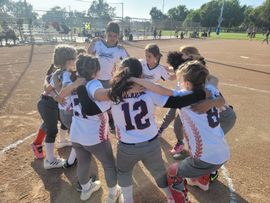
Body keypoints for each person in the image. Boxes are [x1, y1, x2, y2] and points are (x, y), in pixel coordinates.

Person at [76, 57, 207, 203]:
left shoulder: (114, 95)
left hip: (127, 146)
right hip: (151, 143)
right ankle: (170, 197)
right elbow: (178, 100)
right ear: (140, 73)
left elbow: (89, 109)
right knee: (158, 172)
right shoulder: (148, 90)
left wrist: (81, 88)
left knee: (124, 172)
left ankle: (128, 200)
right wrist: (200, 94)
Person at [132, 60, 230, 195]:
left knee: (173, 171)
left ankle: (182, 197)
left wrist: (135, 80)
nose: (179, 84)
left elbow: (160, 90)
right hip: (223, 152)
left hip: (206, 158)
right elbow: (214, 79)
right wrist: (214, 101)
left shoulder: (186, 97)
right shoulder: (211, 89)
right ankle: (202, 181)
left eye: (181, 81)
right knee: (193, 154)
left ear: (188, 84)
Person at [62, 55, 122, 202]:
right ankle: (113, 194)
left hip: (76, 132)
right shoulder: (94, 84)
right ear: (96, 71)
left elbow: (63, 100)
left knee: (83, 162)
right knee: (109, 164)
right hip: (95, 134)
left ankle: (86, 190)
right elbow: (102, 98)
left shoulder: (73, 84)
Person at [88, 21, 129, 131]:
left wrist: (120, 74)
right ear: (106, 33)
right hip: (94, 79)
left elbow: (128, 62)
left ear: (118, 36)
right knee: (94, 101)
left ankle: (111, 120)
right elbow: (89, 54)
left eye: (115, 36)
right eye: (110, 35)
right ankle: (95, 123)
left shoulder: (119, 49)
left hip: (108, 80)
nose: (112, 38)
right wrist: (92, 42)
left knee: (110, 102)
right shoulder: (98, 43)